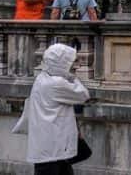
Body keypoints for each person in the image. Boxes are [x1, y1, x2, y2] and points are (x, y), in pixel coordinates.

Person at [12, 43, 92, 174]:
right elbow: (83, 95)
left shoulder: (41, 78)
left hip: (48, 146)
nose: (75, 66)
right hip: (53, 148)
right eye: (72, 63)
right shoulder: (57, 84)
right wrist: (73, 77)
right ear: (62, 63)